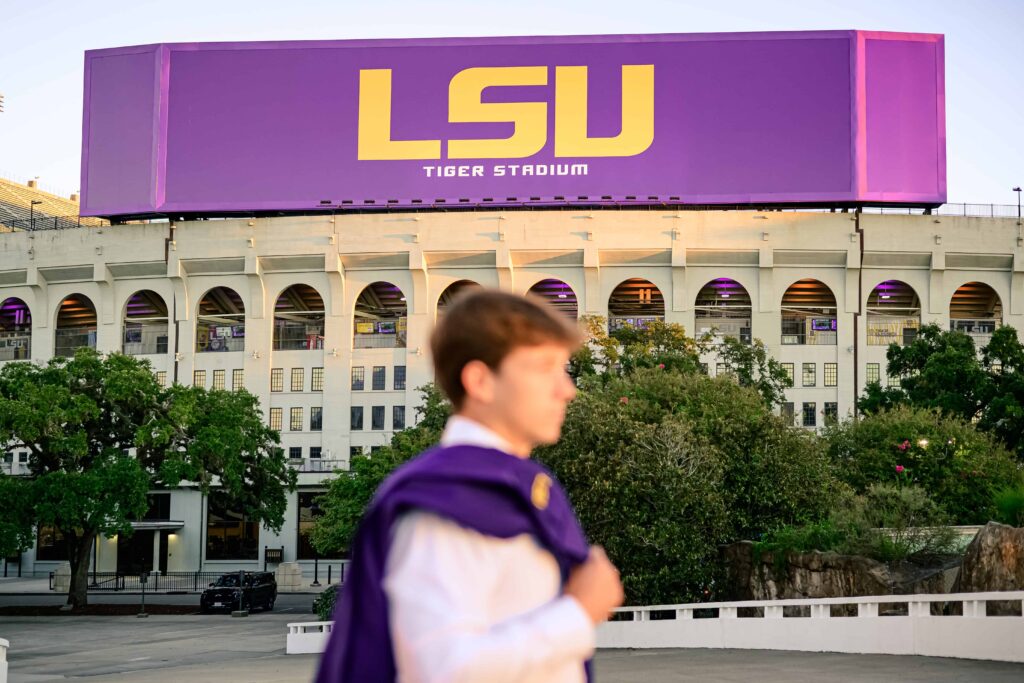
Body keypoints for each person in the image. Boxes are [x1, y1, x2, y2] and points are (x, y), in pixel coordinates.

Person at [316, 289, 624, 682]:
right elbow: (441, 670)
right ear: (481, 381)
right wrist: (579, 612)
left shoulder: (518, 487)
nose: (567, 389)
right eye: (546, 367)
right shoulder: (447, 499)